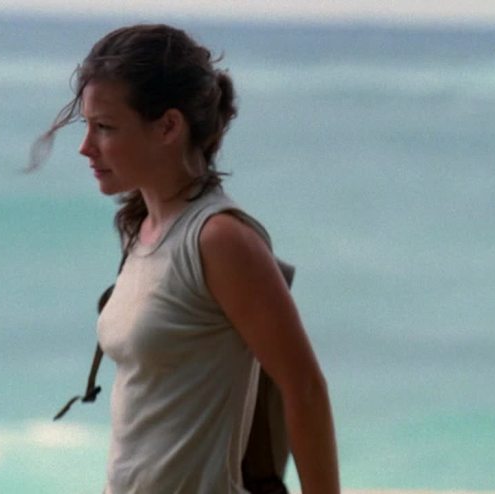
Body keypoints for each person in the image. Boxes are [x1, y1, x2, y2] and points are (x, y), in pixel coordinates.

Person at [30, 24, 339, 494]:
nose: (85, 146)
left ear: (168, 127)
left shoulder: (220, 240)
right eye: (87, 126)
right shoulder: (142, 229)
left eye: (105, 127)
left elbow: (305, 389)